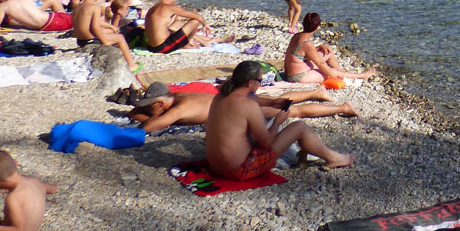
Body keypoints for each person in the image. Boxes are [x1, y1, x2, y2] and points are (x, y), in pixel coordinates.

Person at [205, 61, 354, 179]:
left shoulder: (222, 95)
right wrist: (278, 121)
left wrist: (271, 102)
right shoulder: (249, 106)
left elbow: (248, 98)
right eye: (259, 81)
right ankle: (333, 158)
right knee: (300, 127)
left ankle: (317, 154)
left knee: (249, 130)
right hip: (238, 171)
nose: (261, 84)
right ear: (250, 82)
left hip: (215, 166)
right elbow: (267, 143)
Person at [128, 81, 358, 134]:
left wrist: (139, 119)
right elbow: (145, 116)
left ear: (160, 102)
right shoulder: (179, 95)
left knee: (291, 111)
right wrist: (136, 112)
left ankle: (342, 108)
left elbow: (148, 127)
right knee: (279, 98)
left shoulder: (179, 108)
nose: (149, 110)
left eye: (150, 107)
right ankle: (316, 92)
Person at [283, 13, 378, 84]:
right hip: (297, 76)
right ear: (317, 27)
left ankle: (343, 72)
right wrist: (332, 74)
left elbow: (302, 52)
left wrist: (320, 47)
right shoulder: (307, 44)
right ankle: (361, 76)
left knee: (328, 50)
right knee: (333, 72)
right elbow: (320, 64)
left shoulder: (297, 35)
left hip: (297, 68)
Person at [144, 0, 232, 52]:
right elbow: (197, 16)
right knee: (195, 21)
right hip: (163, 47)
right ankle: (187, 44)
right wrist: (205, 25)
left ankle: (211, 40)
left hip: (151, 47)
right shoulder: (169, 8)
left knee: (178, 23)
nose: (176, 0)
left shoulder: (153, 8)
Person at [72, 0, 139, 71]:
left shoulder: (78, 6)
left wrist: (111, 27)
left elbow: (95, 23)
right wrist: (105, 40)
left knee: (111, 31)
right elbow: (95, 28)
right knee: (120, 37)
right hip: (90, 40)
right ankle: (131, 65)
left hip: (80, 40)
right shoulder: (95, 7)